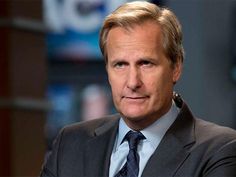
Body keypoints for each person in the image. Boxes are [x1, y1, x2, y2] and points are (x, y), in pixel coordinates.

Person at [40, 1, 236, 177]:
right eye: (120, 65)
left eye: (145, 63)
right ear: (107, 70)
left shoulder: (221, 149)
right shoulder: (70, 142)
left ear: (176, 68)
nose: (133, 82)